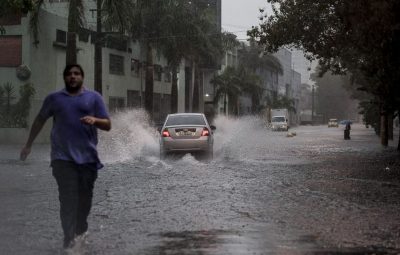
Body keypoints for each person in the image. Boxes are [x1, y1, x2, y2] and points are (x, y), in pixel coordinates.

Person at [20, 64, 111, 251]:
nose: (72, 77)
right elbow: (39, 120)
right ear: (64, 78)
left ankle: (80, 231)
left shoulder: (94, 98)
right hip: (62, 159)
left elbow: (108, 124)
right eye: (69, 74)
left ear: (82, 77)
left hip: (88, 160)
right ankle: (69, 240)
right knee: (68, 200)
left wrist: (95, 120)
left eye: (76, 74)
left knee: (84, 203)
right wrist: (28, 144)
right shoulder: (54, 99)